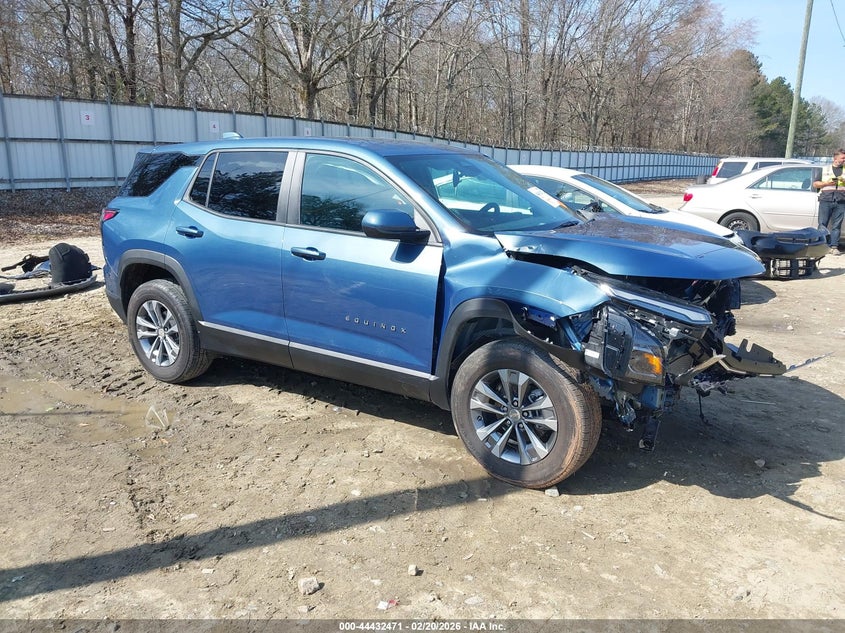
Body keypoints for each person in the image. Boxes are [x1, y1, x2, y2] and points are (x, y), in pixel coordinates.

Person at [813, 148, 845, 255]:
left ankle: (834, 246)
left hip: (841, 201)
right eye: (843, 158)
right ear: (835, 158)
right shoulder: (825, 169)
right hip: (825, 200)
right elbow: (815, 184)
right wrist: (827, 183)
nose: (844, 160)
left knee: (836, 225)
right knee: (822, 224)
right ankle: (821, 245)